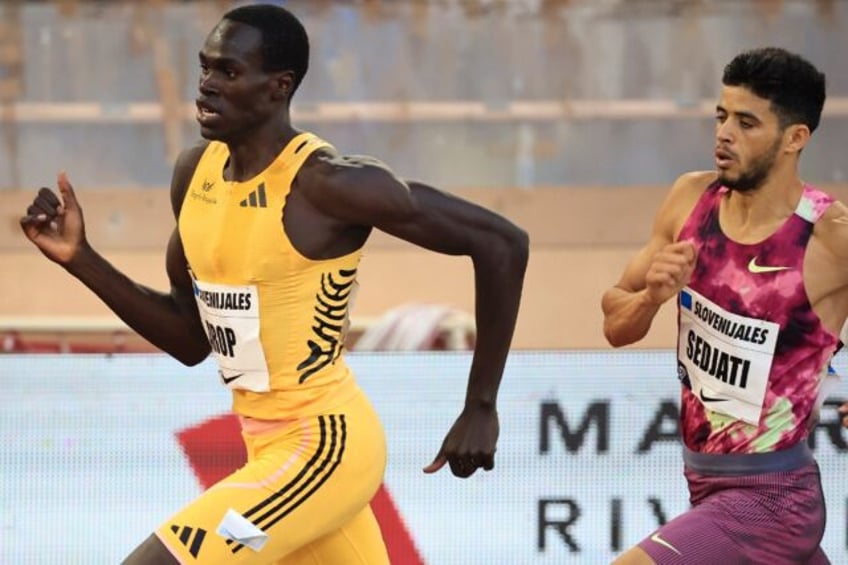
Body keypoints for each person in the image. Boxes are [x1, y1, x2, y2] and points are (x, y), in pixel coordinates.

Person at [19, 4, 529, 564]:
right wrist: (82, 259)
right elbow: (192, 340)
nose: (206, 86)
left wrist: (481, 404)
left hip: (326, 446)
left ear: (277, 87)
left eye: (229, 73)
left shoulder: (327, 185)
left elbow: (502, 244)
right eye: (204, 68)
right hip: (267, 445)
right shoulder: (195, 175)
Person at [601, 46, 848, 564]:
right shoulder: (691, 199)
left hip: (775, 498)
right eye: (720, 116)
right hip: (703, 482)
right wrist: (651, 298)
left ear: (794, 138)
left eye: (746, 122)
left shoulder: (827, 237)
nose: (724, 133)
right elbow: (616, 322)